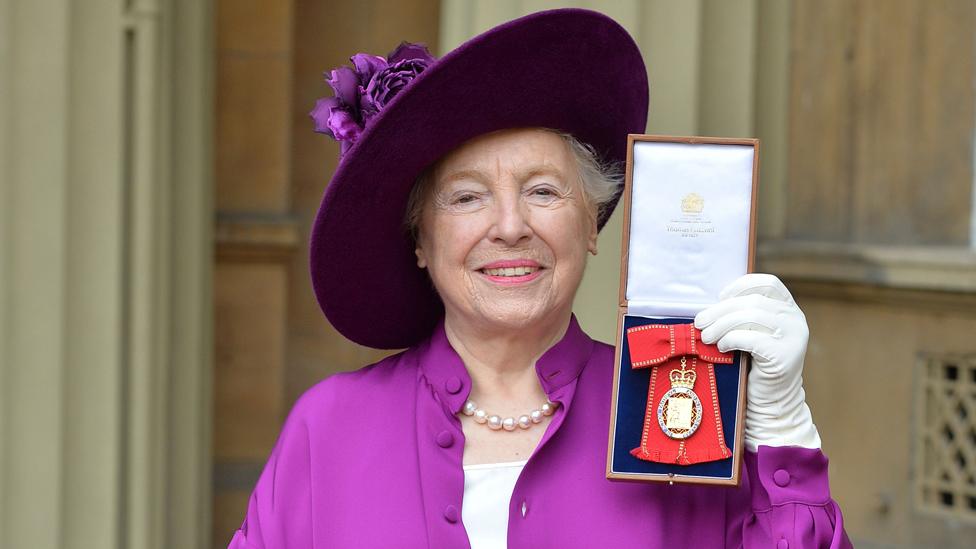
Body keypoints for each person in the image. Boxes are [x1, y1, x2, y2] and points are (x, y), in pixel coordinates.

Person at [230, 9, 851, 548]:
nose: (509, 226)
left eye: (543, 191)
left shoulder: (682, 411)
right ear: (420, 240)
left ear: (592, 225)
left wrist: (782, 431)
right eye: (467, 198)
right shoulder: (331, 426)